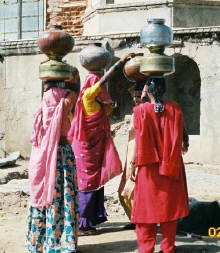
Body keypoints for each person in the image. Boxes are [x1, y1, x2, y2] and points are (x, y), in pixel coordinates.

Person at [68, 53, 138, 236]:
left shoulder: (99, 100)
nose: (103, 87)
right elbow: (102, 82)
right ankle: (83, 224)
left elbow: (108, 108)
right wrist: (120, 63)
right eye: (100, 84)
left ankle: (92, 220)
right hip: (86, 149)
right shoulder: (88, 96)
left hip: (96, 148)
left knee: (96, 182)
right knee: (87, 183)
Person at [131, 77, 189, 253]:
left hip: (149, 168)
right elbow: (183, 139)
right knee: (169, 210)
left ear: (147, 90)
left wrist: (132, 166)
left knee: (145, 212)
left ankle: (147, 249)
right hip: (171, 166)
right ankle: (168, 248)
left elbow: (137, 140)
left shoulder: (140, 111)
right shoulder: (175, 109)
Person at [26, 74, 79, 253]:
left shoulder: (44, 101)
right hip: (62, 155)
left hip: (43, 156)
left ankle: (38, 242)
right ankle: (61, 242)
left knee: (46, 200)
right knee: (63, 198)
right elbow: (75, 91)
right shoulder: (66, 98)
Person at [118, 82, 145, 230]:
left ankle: (140, 221)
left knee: (132, 189)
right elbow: (131, 90)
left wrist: (135, 160)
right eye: (134, 96)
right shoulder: (136, 110)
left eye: (138, 96)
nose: (135, 99)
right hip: (130, 153)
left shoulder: (144, 112)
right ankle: (136, 219)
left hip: (138, 153)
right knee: (124, 191)